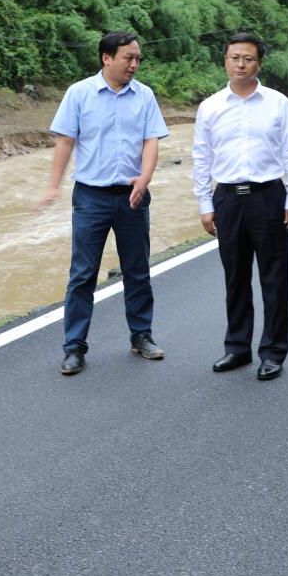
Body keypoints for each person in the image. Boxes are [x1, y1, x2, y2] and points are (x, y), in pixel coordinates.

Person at [38, 31, 170, 376]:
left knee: (138, 270)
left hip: (132, 196)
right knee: (82, 275)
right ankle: (74, 348)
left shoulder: (145, 96)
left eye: (138, 58)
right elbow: (65, 142)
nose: (135, 64)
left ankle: (141, 335)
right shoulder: (79, 94)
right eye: (129, 57)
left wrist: (145, 177)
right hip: (91, 196)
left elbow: (151, 140)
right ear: (106, 58)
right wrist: (53, 187)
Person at [192, 32, 288, 381]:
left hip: (268, 196)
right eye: (234, 57)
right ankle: (237, 348)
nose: (240, 64)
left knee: (273, 278)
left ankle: (272, 352)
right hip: (227, 198)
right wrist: (204, 203)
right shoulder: (210, 106)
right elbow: (201, 157)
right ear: (225, 60)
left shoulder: (276, 102)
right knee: (235, 277)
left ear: (259, 63)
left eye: (248, 59)